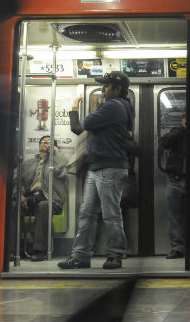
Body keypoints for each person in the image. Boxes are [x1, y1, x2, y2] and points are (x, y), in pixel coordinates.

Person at [58, 71, 134, 270]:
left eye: (107, 86)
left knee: (110, 214)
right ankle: (80, 256)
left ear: (118, 89)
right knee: (87, 213)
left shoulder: (113, 106)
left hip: (109, 167)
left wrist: (74, 108)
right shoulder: (119, 106)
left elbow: (81, 127)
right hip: (97, 167)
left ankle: (115, 255)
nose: (103, 89)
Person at [10, 136, 68, 261]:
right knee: (14, 205)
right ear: (39, 146)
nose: (46, 144)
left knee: (43, 206)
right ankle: (12, 250)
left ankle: (39, 250)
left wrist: (55, 152)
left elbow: (63, 166)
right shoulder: (28, 163)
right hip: (30, 198)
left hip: (50, 199)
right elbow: (17, 180)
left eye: (49, 142)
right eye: (43, 142)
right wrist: (18, 194)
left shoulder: (56, 163)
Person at [160, 118, 187, 259]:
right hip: (175, 179)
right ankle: (178, 248)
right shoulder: (176, 133)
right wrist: (182, 129)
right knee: (174, 216)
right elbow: (165, 142)